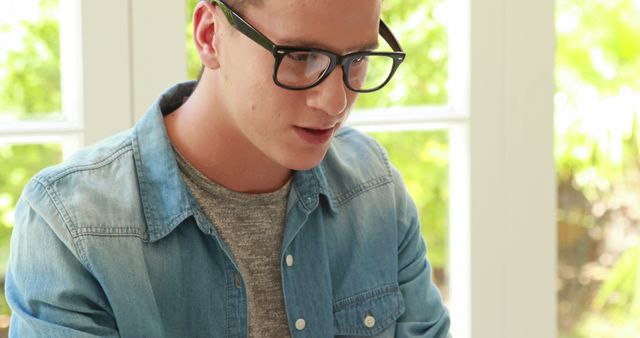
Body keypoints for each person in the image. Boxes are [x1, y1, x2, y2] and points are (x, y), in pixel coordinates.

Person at [5, 0, 451, 336]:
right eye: (299, 58)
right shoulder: (71, 225)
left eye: (356, 60)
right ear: (209, 35)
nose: (335, 102)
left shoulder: (374, 189)